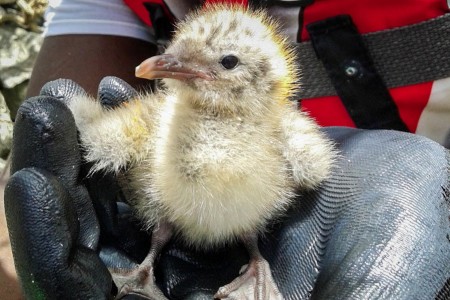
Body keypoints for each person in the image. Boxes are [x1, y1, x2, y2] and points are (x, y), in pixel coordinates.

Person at [5, 0, 450, 299]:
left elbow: (310, 165)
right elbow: (36, 203)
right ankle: (152, 263)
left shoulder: (281, 130)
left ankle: (255, 260)